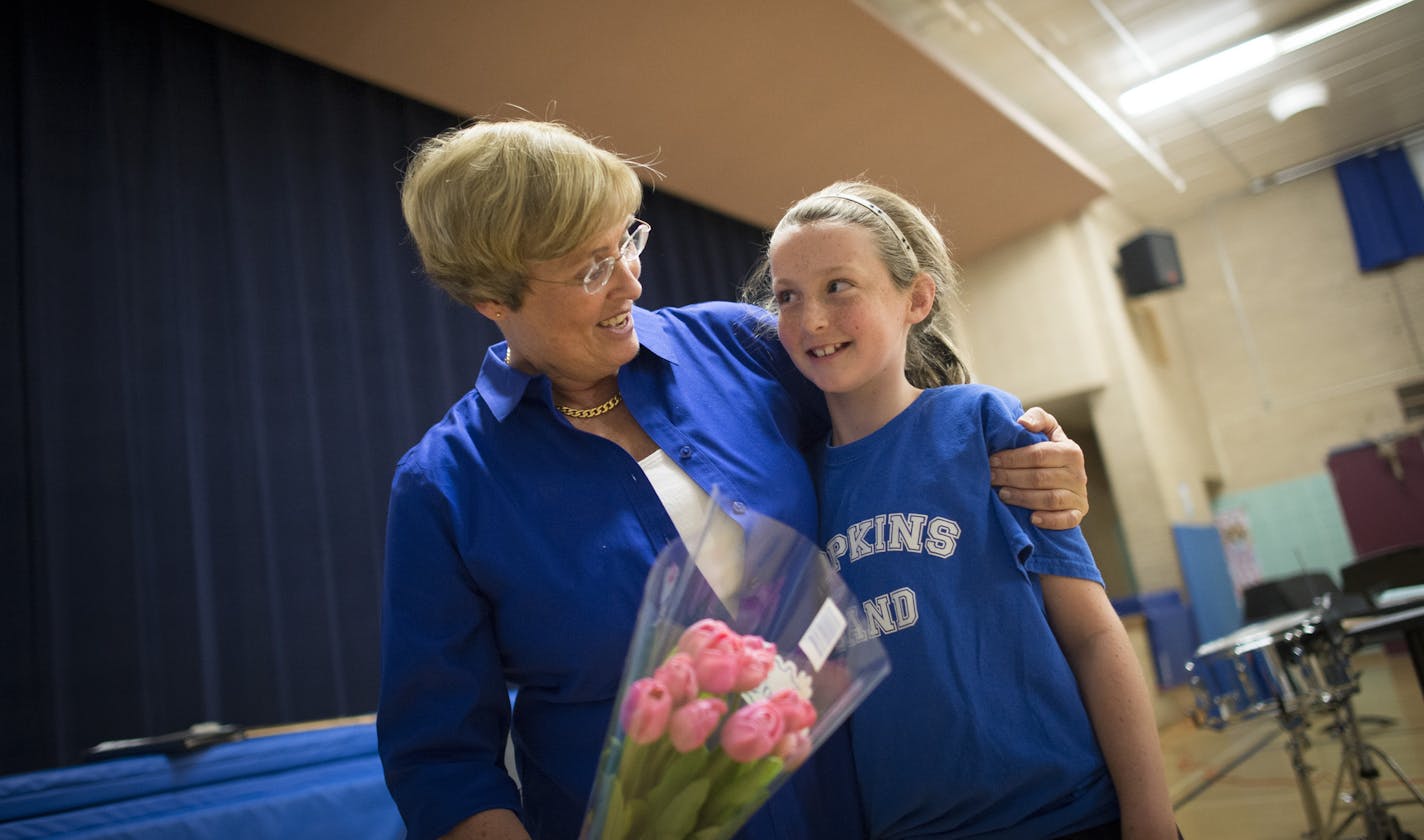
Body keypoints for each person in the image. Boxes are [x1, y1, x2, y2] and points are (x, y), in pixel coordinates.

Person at [378, 119, 1094, 840]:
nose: (632, 280)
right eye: (591, 269)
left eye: (627, 239)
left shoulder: (740, 347)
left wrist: (1030, 458)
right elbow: (441, 759)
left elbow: (910, 435)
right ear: (492, 301)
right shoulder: (446, 485)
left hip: (872, 812)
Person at [743, 179, 1176, 839]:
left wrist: (1150, 820)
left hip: (1069, 818)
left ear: (916, 298)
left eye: (839, 286)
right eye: (788, 297)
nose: (813, 320)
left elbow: (1091, 636)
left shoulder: (983, 423)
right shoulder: (792, 485)